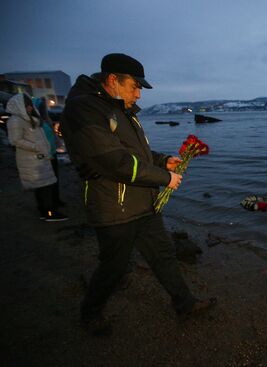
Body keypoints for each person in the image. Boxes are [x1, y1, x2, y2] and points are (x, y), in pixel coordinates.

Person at [60, 53, 216, 336]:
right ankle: (90, 312)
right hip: (113, 206)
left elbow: (136, 155)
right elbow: (112, 161)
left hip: (142, 202)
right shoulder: (85, 109)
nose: (138, 93)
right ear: (112, 80)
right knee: (114, 267)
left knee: (164, 254)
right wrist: (165, 178)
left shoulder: (120, 109)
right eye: (134, 85)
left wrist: (162, 160)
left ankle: (185, 304)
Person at [6, 93, 68, 221]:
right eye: (28, 106)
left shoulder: (29, 118)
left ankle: (46, 210)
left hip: (40, 157)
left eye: (30, 105)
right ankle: (48, 213)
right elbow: (15, 140)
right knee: (43, 187)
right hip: (33, 159)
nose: (30, 108)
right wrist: (37, 146)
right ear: (20, 106)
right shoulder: (16, 120)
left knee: (45, 185)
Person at [33, 97, 65, 208]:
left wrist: (57, 146)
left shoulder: (45, 121)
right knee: (44, 183)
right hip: (41, 157)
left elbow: (51, 136)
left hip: (51, 154)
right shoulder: (33, 123)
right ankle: (46, 207)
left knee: (54, 179)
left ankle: (55, 200)